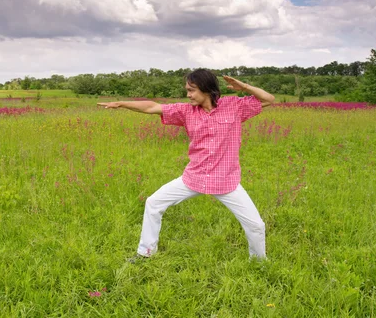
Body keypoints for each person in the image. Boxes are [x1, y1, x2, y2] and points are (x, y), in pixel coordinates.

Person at [97, 69, 275, 261]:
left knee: (256, 225)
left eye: (192, 90)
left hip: (225, 181)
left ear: (206, 89)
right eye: (187, 90)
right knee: (154, 203)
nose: (188, 94)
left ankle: (258, 263)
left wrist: (245, 87)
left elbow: (268, 99)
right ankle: (145, 253)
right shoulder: (185, 111)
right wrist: (121, 103)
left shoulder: (234, 106)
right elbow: (151, 107)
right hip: (194, 178)